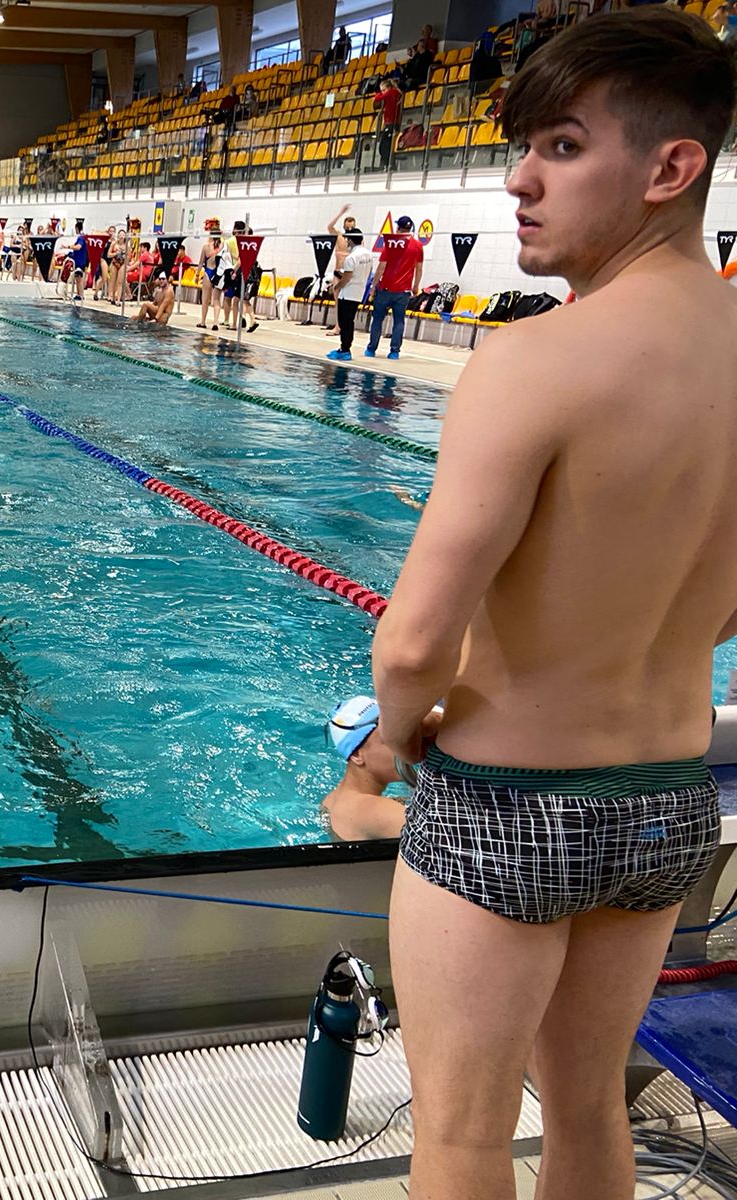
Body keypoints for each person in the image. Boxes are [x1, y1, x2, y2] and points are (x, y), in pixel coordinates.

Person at [371, 12, 737, 1199]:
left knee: (465, 1136)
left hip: (504, 808)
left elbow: (417, 637)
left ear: (668, 169)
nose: (519, 179)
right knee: (587, 1110)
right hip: (666, 808)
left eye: (563, 147)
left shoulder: (534, 362)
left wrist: (382, 750)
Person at [322, 695, 444, 840]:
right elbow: (448, 838)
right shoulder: (372, 810)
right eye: (390, 740)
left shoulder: (332, 800)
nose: (405, 745)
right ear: (357, 755)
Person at [364, 216, 423, 359]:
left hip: (385, 289)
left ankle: (371, 349)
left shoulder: (391, 244)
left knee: (377, 320)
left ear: (398, 228)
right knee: (398, 321)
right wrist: (415, 286)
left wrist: (373, 286)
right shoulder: (418, 246)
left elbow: (381, 267)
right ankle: (394, 351)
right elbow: (419, 269)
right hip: (403, 292)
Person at [326, 231, 373, 360]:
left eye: (347, 240)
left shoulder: (351, 257)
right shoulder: (368, 255)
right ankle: (345, 348)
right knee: (349, 322)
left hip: (347, 294)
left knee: (344, 322)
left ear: (351, 241)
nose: (346, 243)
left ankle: (345, 350)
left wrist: (336, 287)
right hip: (359, 293)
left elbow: (347, 277)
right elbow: (368, 273)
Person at [324, 205, 362, 336]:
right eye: (347, 226)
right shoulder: (339, 236)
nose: (349, 229)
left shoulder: (358, 241)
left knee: (348, 303)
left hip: (349, 274)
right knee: (337, 302)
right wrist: (340, 213)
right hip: (337, 272)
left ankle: (345, 327)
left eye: (352, 227)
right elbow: (329, 227)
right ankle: (338, 326)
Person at [374, 76, 404, 168]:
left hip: (392, 123)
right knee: (384, 146)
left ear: (388, 88)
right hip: (389, 122)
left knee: (385, 147)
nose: (382, 92)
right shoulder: (392, 93)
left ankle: (389, 165)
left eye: (383, 90)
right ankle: (388, 164)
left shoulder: (392, 92)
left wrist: (378, 94)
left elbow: (377, 98)